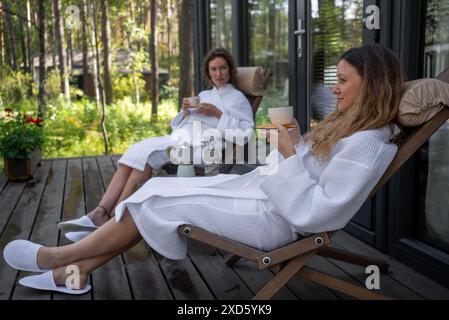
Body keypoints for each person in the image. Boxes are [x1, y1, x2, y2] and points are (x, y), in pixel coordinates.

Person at [3, 44, 404, 294]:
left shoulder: (369, 144)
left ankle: (60, 259)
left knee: (158, 200)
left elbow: (317, 212)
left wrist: (285, 151)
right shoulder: (356, 128)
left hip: (277, 220)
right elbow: (313, 171)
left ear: (372, 85)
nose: (334, 87)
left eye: (344, 80)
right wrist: (296, 143)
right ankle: (72, 272)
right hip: (263, 195)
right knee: (149, 192)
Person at [58, 47, 254, 242]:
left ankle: (110, 219)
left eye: (222, 68)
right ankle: (101, 212)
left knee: (148, 154)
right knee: (137, 153)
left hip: (208, 149)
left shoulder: (238, 98)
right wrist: (185, 112)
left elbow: (245, 134)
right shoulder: (204, 94)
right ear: (208, 73)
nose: (218, 74)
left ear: (230, 70)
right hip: (185, 140)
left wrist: (217, 114)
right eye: (213, 69)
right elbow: (179, 124)